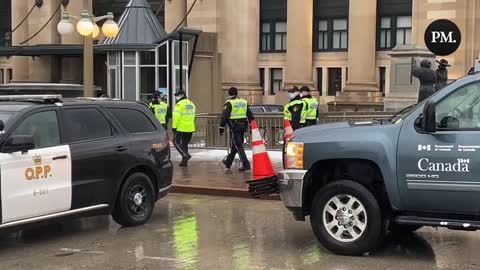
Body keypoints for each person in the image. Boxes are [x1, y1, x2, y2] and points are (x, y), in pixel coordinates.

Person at [219, 87, 255, 172]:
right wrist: (251, 125)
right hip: (243, 126)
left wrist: (221, 127)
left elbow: (225, 116)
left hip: (234, 127)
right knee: (235, 146)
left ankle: (246, 164)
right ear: (237, 93)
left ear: (229, 94)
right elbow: (250, 115)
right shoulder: (243, 102)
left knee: (238, 146)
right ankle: (228, 163)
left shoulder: (229, 103)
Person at [172, 90, 196, 167]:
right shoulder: (191, 103)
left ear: (182, 95)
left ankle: (185, 155)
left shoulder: (179, 104)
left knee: (175, 142)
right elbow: (193, 115)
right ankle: (184, 162)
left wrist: (174, 127)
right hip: (190, 127)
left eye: (177, 95)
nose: (176, 97)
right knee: (184, 144)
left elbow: (176, 117)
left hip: (181, 127)